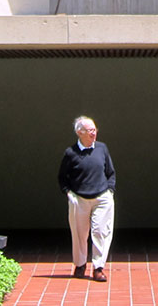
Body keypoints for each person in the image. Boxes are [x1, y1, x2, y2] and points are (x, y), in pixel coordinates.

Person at [57, 115, 115, 281]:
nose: (93, 133)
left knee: (100, 231)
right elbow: (62, 177)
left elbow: (110, 172)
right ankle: (80, 264)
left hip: (102, 196)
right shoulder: (71, 153)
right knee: (79, 233)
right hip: (79, 198)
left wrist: (110, 191)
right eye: (89, 130)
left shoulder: (102, 148)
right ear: (79, 132)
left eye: (94, 130)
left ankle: (98, 267)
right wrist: (69, 193)